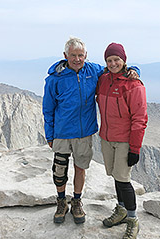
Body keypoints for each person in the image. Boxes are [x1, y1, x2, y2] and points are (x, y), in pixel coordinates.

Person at [42, 37, 139, 225]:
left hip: (84, 132)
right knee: (59, 170)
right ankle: (61, 201)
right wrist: (50, 133)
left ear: (85, 55)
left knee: (81, 167)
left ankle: (77, 201)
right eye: (73, 55)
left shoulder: (93, 71)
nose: (77, 59)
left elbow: (117, 67)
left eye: (80, 55)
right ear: (65, 56)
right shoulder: (55, 78)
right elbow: (48, 108)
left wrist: (135, 71)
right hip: (62, 132)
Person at [96, 43, 148, 238]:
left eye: (116, 59)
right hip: (107, 138)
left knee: (124, 180)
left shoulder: (134, 85)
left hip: (125, 141)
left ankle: (133, 219)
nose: (112, 63)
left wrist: (135, 148)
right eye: (109, 60)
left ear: (124, 60)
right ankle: (122, 208)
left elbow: (140, 119)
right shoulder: (103, 79)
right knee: (116, 176)